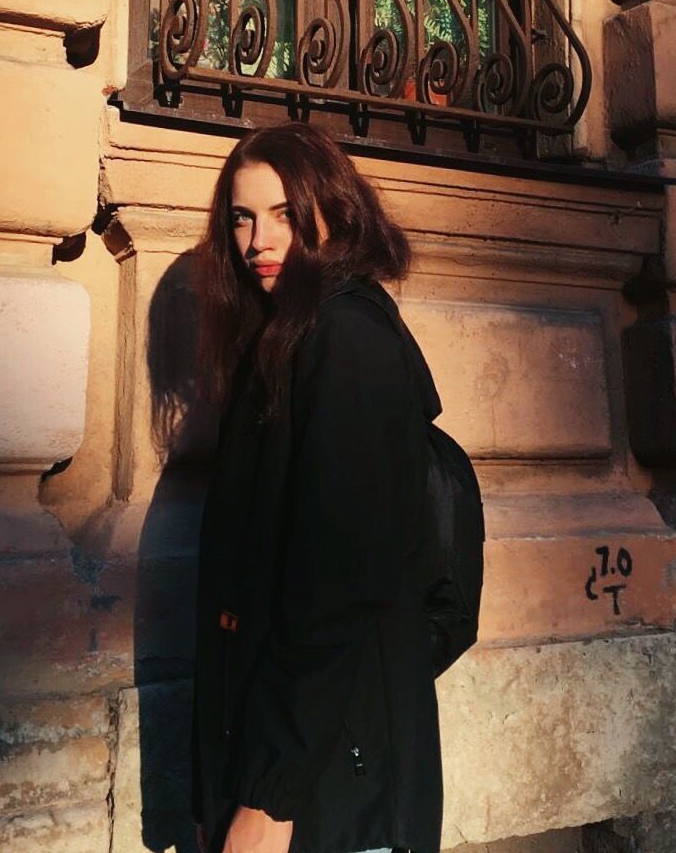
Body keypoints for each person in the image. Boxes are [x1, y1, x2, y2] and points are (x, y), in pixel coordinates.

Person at [191, 121, 444, 853]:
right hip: (298, 765)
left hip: (336, 783)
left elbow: (338, 584)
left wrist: (270, 797)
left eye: (284, 215)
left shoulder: (348, 339)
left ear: (332, 211)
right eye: (241, 217)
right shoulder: (281, 342)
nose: (258, 240)